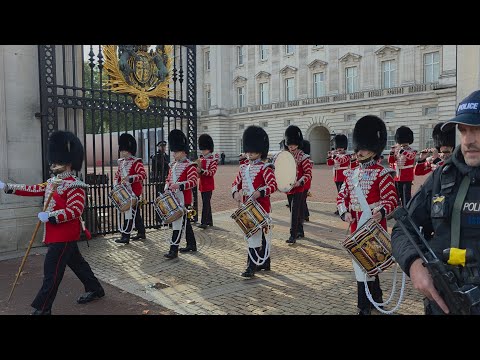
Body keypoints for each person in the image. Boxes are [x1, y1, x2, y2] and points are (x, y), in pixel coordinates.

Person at [391, 90, 480, 315]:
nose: (469, 140)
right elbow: (404, 228)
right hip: (441, 302)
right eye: (463, 130)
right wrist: (413, 265)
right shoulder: (443, 176)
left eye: (478, 130)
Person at [0, 130, 105, 315]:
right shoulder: (52, 182)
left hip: (63, 235)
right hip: (58, 235)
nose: (54, 163)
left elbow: (75, 211)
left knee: (52, 272)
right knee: (78, 264)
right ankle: (95, 289)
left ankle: (43, 307)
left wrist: (51, 216)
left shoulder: (75, 185)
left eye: (58, 161)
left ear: (68, 163)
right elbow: (32, 189)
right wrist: (8, 187)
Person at [337, 115, 398, 315]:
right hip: (356, 225)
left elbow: (391, 200)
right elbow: (341, 198)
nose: (359, 152)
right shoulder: (349, 174)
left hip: (373, 225)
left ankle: (366, 304)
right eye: (358, 148)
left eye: (363, 149)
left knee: (369, 264)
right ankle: (370, 302)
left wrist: (380, 213)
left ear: (373, 150)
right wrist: (345, 212)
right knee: (362, 265)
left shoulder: (382, 173)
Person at [232, 125, 277, 277]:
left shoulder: (266, 168)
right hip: (247, 206)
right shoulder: (243, 168)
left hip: (261, 206)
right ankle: (264, 262)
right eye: (248, 150)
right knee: (256, 235)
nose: (249, 153)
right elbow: (235, 184)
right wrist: (236, 193)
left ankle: (251, 266)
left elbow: (273, 185)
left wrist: (260, 192)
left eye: (252, 150)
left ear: (259, 150)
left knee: (255, 235)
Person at [163, 129, 198, 259]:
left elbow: (193, 182)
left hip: (184, 198)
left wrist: (180, 185)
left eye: (176, 152)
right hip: (174, 197)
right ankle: (192, 244)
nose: (174, 154)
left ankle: (173, 250)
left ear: (183, 152)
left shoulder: (190, 165)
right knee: (185, 222)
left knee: (177, 224)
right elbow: (169, 178)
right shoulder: (173, 165)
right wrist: (167, 187)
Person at [113, 133, 147, 244]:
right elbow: (118, 175)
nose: (122, 152)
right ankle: (141, 232)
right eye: (121, 150)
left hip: (133, 192)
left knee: (129, 212)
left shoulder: (136, 162)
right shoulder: (121, 163)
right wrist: (116, 184)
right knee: (135, 213)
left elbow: (143, 175)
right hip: (124, 192)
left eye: (124, 151)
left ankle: (125, 236)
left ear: (129, 150)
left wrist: (130, 178)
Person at [284, 125, 312, 244]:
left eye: (294, 144)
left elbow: (308, 174)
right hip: (289, 188)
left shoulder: (303, 157)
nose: (292, 147)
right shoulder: (286, 156)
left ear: (298, 144)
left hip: (299, 188)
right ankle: (300, 231)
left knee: (295, 212)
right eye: (290, 144)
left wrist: (299, 182)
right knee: (293, 211)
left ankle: (292, 235)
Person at [388, 126, 417, 206]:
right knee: (397, 195)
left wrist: (401, 150)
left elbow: (410, 157)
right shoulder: (397, 150)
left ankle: (407, 210)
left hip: (407, 176)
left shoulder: (412, 151)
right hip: (397, 176)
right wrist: (392, 152)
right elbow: (391, 161)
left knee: (406, 196)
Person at [327, 134, 355, 215]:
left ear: (344, 147)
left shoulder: (347, 156)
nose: (339, 149)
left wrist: (334, 155)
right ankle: (340, 208)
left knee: (343, 194)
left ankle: (344, 208)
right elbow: (329, 163)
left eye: (341, 147)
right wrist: (329, 156)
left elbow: (342, 161)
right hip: (336, 178)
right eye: (338, 147)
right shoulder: (336, 155)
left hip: (343, 177)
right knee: (339, 194)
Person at [197, 134, 219, 229]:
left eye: (204, 149)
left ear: (209, 149)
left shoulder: (213, 160)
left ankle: (204, 222)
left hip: (209, 184)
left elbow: (212, 172)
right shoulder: (200, 159)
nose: (203, 151)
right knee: (206, 203)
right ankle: (209, 221)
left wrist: (201, 171)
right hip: (202, 184)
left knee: (206, 203)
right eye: (202, 149)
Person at [301, 140, 313, 222]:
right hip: (306, 182)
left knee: (301, 200)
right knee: (303, 200)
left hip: (303, 182)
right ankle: (306, 215)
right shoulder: (307, 159)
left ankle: (303, 216)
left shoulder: (305, 159)